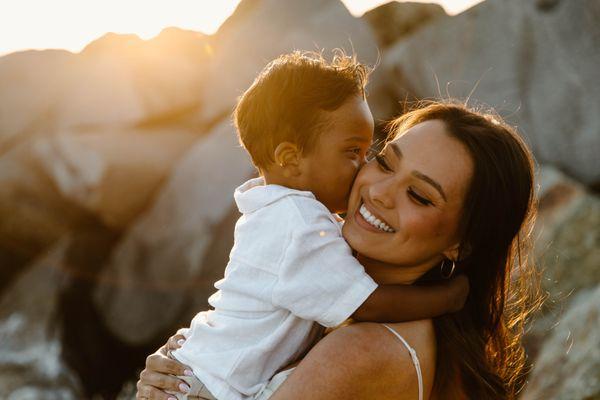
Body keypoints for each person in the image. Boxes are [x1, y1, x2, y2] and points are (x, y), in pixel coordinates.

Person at [136, 100, 540, 400]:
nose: (379, 193)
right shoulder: (349, 313)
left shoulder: (365, 348)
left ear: (461, 243)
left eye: (418, 195)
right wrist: (189, 367)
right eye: (383, 162)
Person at [153, 52, 469, 400]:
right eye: (356, 153)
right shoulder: (298, 223)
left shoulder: (275, 212)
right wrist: (449, 297)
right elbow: (369, 303)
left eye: (420, 196)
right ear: (290, 159)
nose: (365, 174)